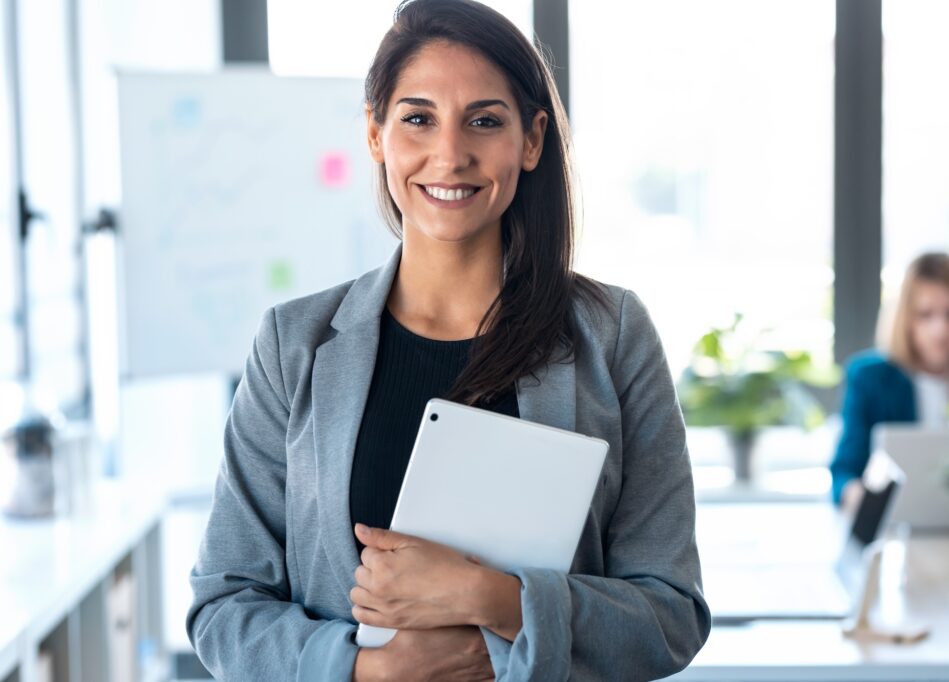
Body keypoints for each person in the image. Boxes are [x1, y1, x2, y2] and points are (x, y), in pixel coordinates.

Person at [185, 1, 710, 680]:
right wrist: (368, 670)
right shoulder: (294, 344)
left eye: (485, 121)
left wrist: (499, 600)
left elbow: (671, 615)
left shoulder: (612, 336)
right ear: (377, 136)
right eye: (418, 118)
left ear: (532, 139)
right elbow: (223, 605)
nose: (450, 154)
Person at [830, 252, 949, 508]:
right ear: (906, 319)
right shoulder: (869, 378)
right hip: (896, 534)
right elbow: (844, 472)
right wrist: (859, 499)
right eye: (926, 314)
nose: (940, 330)